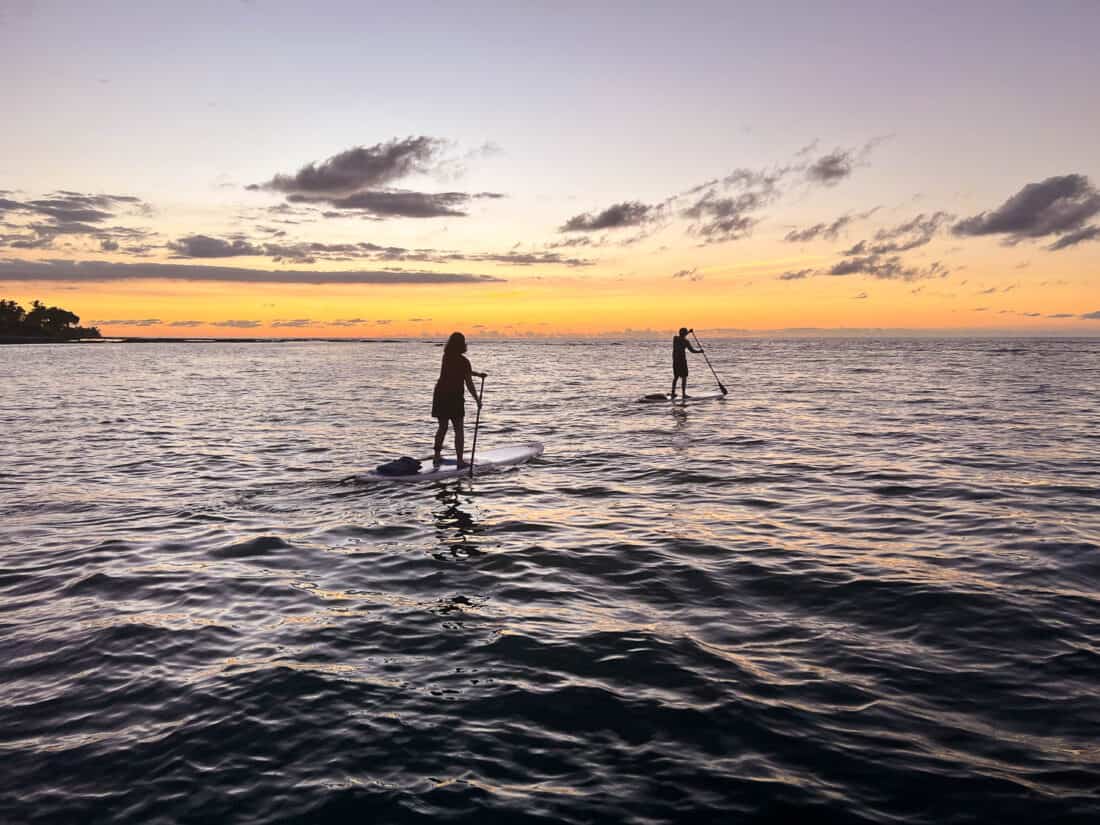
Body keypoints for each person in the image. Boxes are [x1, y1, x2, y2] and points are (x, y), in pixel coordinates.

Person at [432, 332, 486, 468]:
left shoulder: (446, 357)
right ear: (462, 345)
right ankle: (460, 461)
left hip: (440, 395)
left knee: (442, 427)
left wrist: (478, 374)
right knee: (459, 429)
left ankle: (436, 457)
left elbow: (464, 372)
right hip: (454, 397)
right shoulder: (464, 361)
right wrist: (477, 400)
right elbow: (468, 382)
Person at [671, 327, 703, 398]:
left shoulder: (675, 338)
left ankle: (673, 393)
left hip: (675, 361)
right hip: (682, 361)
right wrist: (700, 351)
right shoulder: (686, 341)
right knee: (684, 377)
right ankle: (683, 394)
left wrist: (688, 332)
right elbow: (692, 351)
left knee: (676, 377)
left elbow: (682, 336)